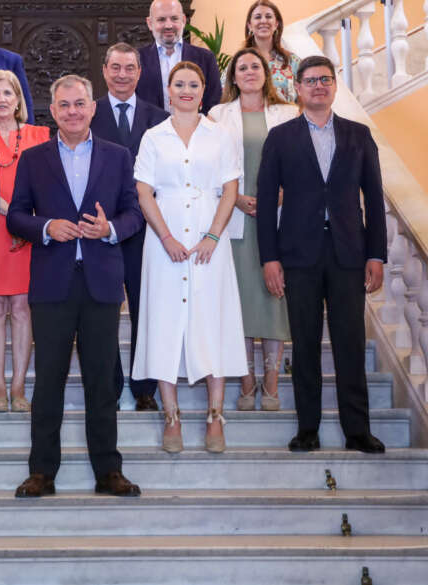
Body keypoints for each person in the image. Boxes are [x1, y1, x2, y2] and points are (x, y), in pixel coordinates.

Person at [8, 74, 143, 499]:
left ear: (93, 107)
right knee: (48, 380)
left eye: (79, 104)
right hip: (52, 285)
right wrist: (46, 226)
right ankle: (42, 473)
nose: (72, 111)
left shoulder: (118, 156)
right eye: (64, 105)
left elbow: (134, 213)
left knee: (102, 382)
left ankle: (108, 472)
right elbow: (15, 216)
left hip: (101, 283)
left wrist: (109, 229)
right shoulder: (34, 158)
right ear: (53, 109)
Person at [256, 55, 387, 454]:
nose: (318, 86)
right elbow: (265, 201)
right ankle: (307, 429)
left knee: (349, 343)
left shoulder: (359, 135)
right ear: (297, 88)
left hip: (349, 253)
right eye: (310, 80)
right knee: (306, 344)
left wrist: (376, 254)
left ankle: (357, 431)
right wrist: (269, 258)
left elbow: (375, 199)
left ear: (334, 85)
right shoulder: (280, 138)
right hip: (298, 255)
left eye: (325, 80)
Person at [132, 62, 247, 454]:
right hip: (163, 245)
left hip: (209, 242)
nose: (185, 90)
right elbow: (144, 192)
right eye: (178, 84)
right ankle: (172, 416)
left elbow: (230, 190)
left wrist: (213, 235)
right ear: (168, 90)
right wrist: (164, 236)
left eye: (193, 84)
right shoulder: (152, 137)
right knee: (165, 324)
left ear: (203, 90)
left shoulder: (221, 135)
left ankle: (216, 416)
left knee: (212, 321)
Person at [208, 48, 299, 412]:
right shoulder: (217, 116)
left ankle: (272, 382)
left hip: (278, 219)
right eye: (241, 67)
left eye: (255, 66)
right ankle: (247, 382)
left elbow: (300, 165)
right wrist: (237, 198)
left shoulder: (288, 113)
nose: (248, 71)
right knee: (242, 303)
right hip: (237, 219)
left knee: (273, 301)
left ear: (267, 73)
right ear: (232, 77)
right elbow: (208, 168)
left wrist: (283, 193)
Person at [89, 42, 168, 411]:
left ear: (140, 72)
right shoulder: (89, 113)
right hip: (99, 226)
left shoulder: (159, 117)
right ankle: (109, 385)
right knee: (102, 313)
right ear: (104, 71)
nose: (122, 75)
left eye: (129, 68)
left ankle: (144, 387)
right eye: (115, 68)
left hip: (145, 228)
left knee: (145, 309)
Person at [0, 71, 49, 413]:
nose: (1, 99)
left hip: (28, 233)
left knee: (21, 308)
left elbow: (49, 185)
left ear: (19, 100)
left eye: (8, 93)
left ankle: (19, 389)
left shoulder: (40, 135)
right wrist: (11, 215)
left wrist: (25, 222)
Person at [135, 0, 222, 115]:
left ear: (183, 21)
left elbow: (213, 103)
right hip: (149, 132)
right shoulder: (136, 60)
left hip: (196, 131)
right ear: (150, 23)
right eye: (161, 19)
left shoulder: (206, 58)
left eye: (174, 18)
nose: (168, 25)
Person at [242, 0, 301, 104]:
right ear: (249, 25)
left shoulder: (293, 61)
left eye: (268, 16)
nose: (263, 20)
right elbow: (226, 97)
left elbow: (304, 101)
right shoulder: (238, 63)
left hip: (288, 119)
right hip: (251, 119)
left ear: (276, 24)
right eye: (258, 17)